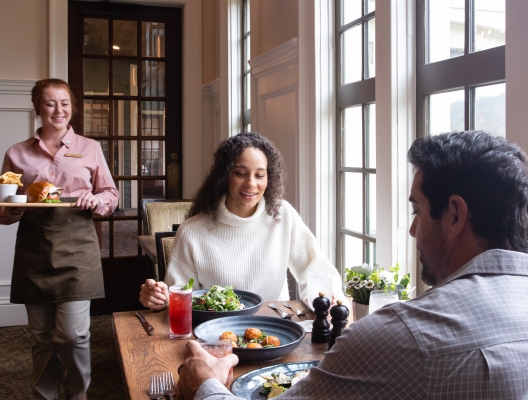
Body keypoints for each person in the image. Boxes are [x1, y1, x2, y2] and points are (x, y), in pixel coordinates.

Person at [178, 130, 528, 399]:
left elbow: (316, 269)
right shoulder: (194, 231)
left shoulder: (396, 338)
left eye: (416, 211)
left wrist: (206, 383)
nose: (411, 230)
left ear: (454, 216)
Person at [0, 79, 118, 400]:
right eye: (50, 103)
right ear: (38, 108)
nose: (58, 110)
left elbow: (110, 194)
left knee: (72, 335)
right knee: (40, 336)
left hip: (78, 251)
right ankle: (44, 396)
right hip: (34, 250)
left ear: (72, 107)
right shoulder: (16, 153)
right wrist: (10, 210)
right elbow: (6, 208)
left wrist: (97, 201)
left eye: (64, 103)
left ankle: (77, 396)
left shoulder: (90, 147)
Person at [139, 132, 343, 309]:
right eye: (240, 173)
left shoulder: (282, 216)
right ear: (224, 176)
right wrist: (161, 299)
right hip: (216, 339)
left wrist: (329, 300)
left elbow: (316, 272)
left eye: (260, 175)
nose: (251, 184)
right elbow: (178, 297)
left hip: (276, 334)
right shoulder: (192, 231)